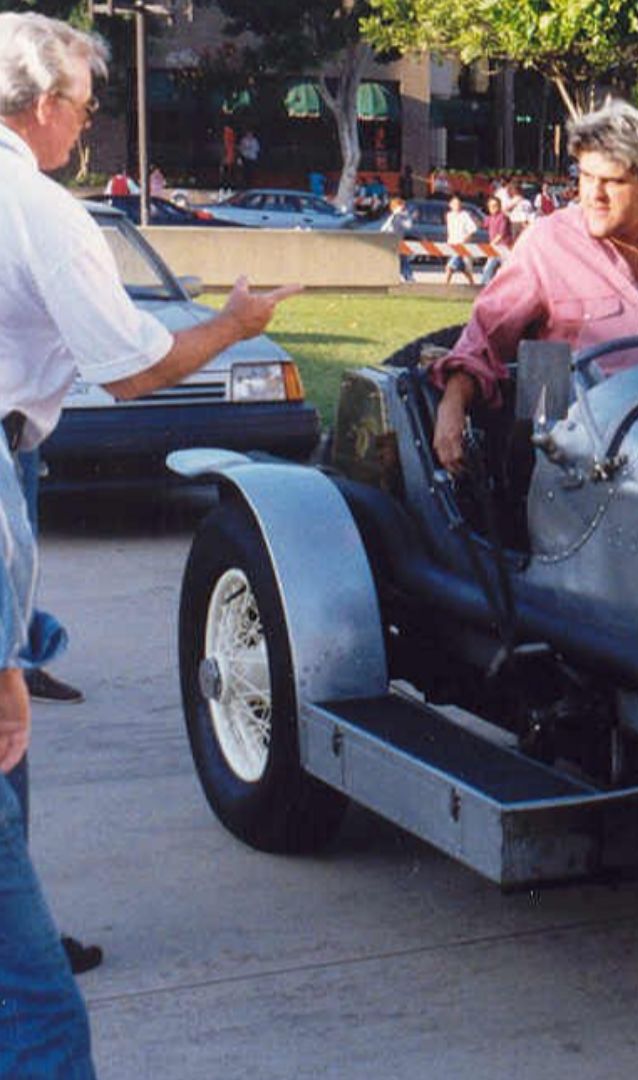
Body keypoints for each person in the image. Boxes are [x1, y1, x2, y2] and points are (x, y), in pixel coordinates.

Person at [0, 14, 298, 1069]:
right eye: (83, 103)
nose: (86, 125)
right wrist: (236, 322)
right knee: (2, 723)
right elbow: (129, 370)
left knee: (16, 725)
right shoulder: (35, 205)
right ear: (42, 107)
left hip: (12, 458)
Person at [429, 99, 638, 476]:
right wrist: (452, 403)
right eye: (586, 176)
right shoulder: (547, 243)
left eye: (612, 181)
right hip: (583, 470)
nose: (593, 194)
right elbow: (482, 340)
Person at [442, 193, 478, 286]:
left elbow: (473, 229)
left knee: (449, 267)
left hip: (462, 246)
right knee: (465, 270)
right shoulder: (449, 216)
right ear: (450, 205)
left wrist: (465, 240)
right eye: (454, 204)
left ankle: (445, 287)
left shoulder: (464, 215)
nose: (457, 206)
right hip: (452, 245)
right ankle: (473, 285)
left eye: (458, 204)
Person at [379, 195, 416, 282]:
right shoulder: (397, 217)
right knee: (401, 259)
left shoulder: (395, 216)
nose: (404, 207)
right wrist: (410, 217)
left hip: (394, 241)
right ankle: (408, 276)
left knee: (402, 258)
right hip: (393, 241)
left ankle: (407, 275)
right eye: (401, 205)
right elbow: (408, 226)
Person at [478, 194, 513, 285]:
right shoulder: (489, 218)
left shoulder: (503, 217)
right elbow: (482, 225)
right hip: (495, 248)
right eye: (490, 206)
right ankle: (486, 289)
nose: (492, 208)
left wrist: (491, 245)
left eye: (495, 206)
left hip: (504, 248)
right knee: (488, 270)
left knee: (508, 271)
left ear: (499, 206)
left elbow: (501, 234)